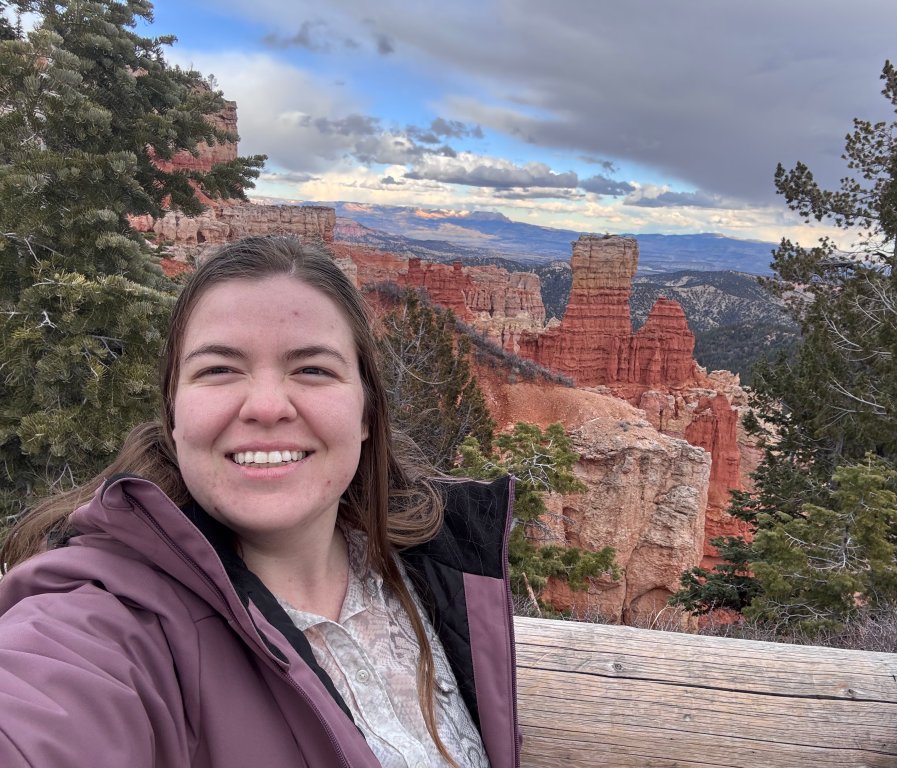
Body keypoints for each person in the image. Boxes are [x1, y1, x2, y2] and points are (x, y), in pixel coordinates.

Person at [0, 236, 520, 768]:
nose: (267, 407)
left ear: (366, 413)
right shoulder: (109, 619)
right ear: (173, 412)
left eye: (312, 369)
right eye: (219, 369)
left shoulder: (434, 571)